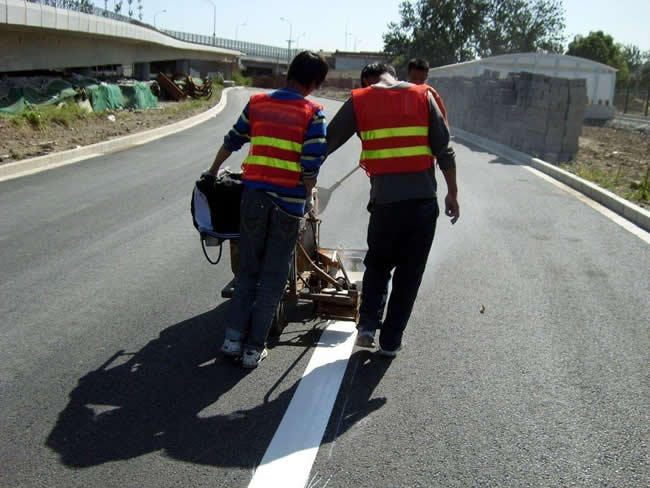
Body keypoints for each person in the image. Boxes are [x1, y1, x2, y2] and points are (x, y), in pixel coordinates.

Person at [204, 51, 329, 368]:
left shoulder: (258, 103)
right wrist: (306, 202)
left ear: (288, 74)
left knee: (247, 271)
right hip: (287, 206)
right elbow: (310, 167)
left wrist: (212, 172)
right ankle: (253, 349)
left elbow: (233, 140)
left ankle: (232, 340)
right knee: (273, 277)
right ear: (314, 84)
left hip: (254, 199)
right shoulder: (313, 113)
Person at [326, 63, 459, 357]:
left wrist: (301, 175)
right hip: (423, 204)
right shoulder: (423, 95)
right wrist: (453, 193)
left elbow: (327, 142)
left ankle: (368, 327)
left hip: (385, 206)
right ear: (394, 75)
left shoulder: (360, 100)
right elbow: (444, 150)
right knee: (409, 275)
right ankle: (390, 341)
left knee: (378, 265)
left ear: (366, 82)